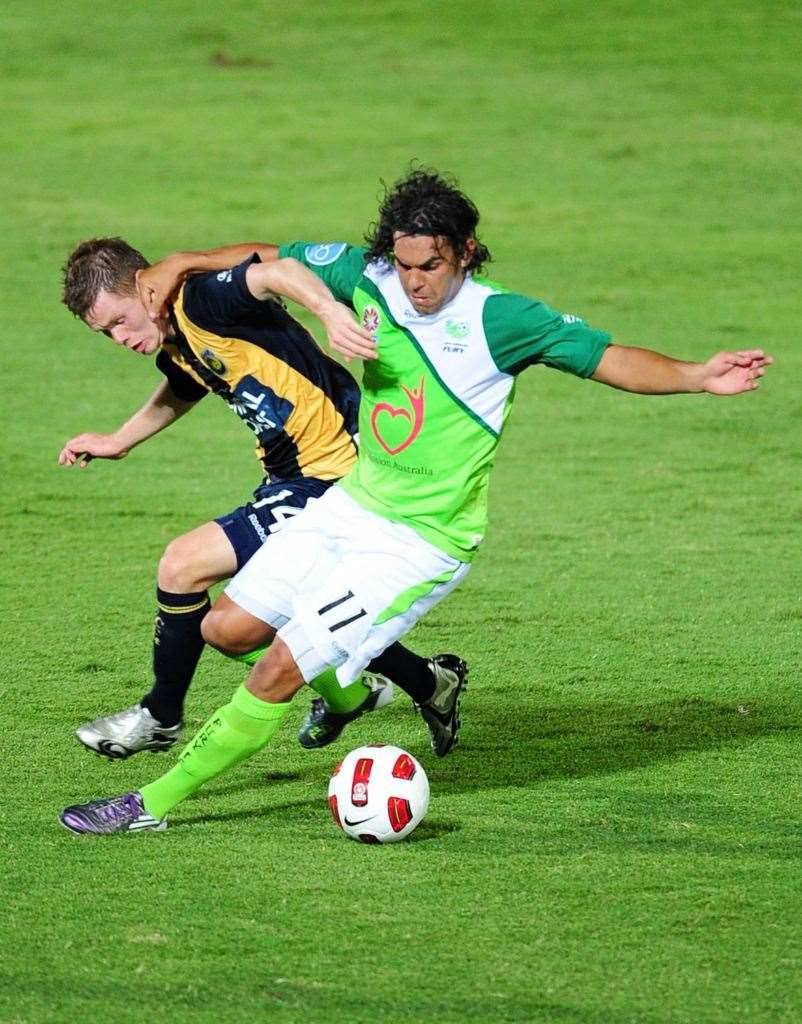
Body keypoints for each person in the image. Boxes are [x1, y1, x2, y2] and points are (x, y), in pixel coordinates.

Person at [59, 168, 772, 835]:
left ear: (465, 251)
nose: (414, 282)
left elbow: (607, 358)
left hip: (418, 541)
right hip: (350, 506)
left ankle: (148, 805)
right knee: (225, 630)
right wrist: (184, 261)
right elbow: (269, 257)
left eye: (429, 265)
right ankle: (410, 684)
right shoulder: (368, 277)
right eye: (403, 265)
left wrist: (697, 376)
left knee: (277, 667)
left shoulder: (501, 320)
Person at [59, 236, 468, 762]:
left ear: (144, 287)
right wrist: (119, 440)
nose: (119, 338)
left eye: (119, 320)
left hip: (335, 473)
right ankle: (426, 683)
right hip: (289, 479)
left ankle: (160, 716)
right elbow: (186, 384)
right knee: (280, 610)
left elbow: (279, 270)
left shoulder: (203, 299)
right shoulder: (177, 336)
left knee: (183, 567)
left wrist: (328, 310)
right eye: (105, 333)